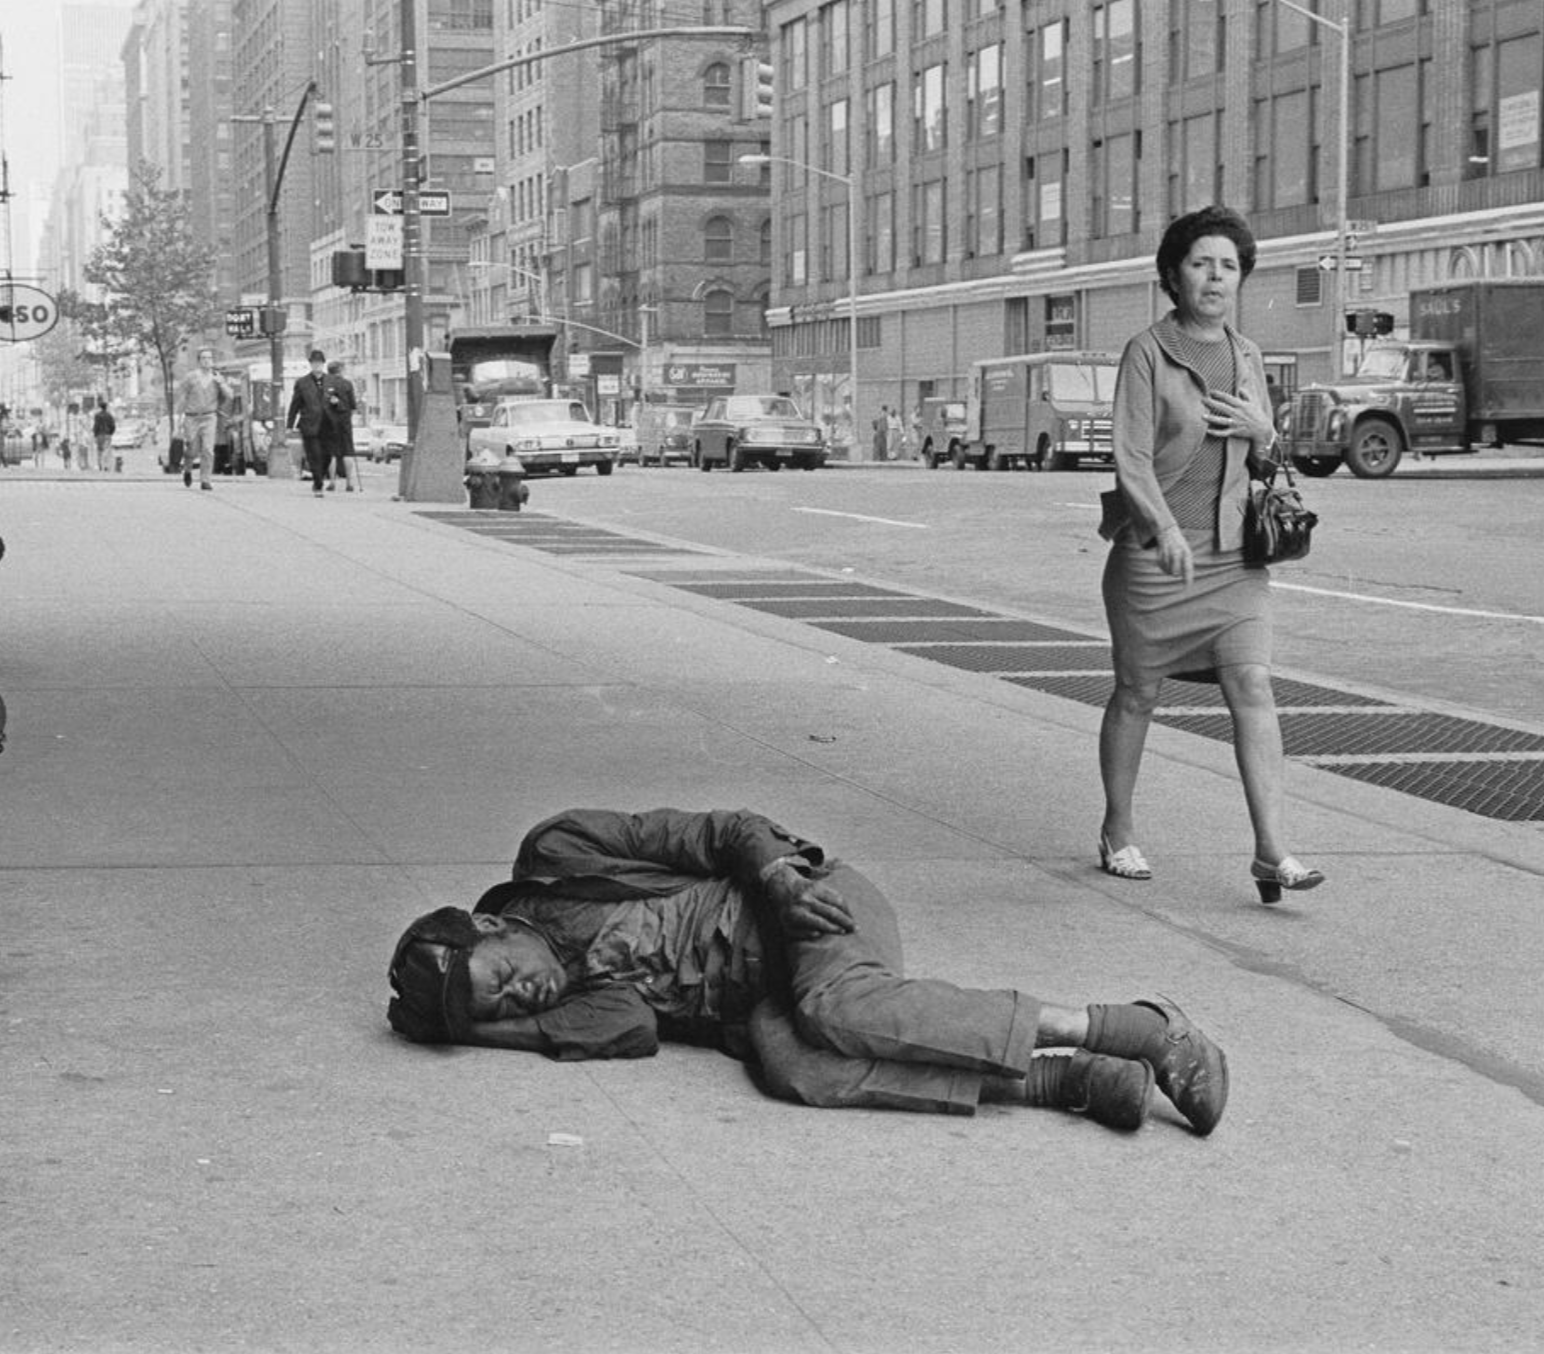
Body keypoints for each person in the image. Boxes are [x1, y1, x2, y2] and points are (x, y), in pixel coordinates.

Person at [388, 807, 1229, 1135]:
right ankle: (1066, 1081)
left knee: (833, 1006)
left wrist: (778, 878)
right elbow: (631, 1030)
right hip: (765, 997)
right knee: (793, 1065)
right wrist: (473, 1029)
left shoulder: (558, 853)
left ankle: (1137, 1026)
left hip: (806, 908)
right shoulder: (573, 1003)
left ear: (492, 922)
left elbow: (718, 831)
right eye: (498, 1008)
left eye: (499, 977)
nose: (520, 996)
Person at [1096, 205, 1324, 906]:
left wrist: (1264, 432)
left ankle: (1271, 851)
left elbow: (1270, 462)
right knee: (1139, 692)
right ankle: (1117, 828)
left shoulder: (1248, 355)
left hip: (1234, 556)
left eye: (1229, 265)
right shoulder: (1147, 352)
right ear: (1174, 275)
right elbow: (1129, 457)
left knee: (1253, 685)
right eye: (1202, 263)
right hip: (1155, 554)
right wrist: (1161, 528)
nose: (1216, 277)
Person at [286, 349, 338, 498]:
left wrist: (337, 403)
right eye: (314, 363)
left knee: (327, 455)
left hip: (328, 424)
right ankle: (318, 483)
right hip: (309, 424)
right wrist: (290, 425)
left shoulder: (332, 381)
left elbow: (341, 403)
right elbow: (295, 404)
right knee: (314, 454)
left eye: (319, 363)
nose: (317, 366)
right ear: (310, 364)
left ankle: (319, 476)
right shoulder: (302, 383)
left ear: (323, 364)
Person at [177, 348, 228, 491]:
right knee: (192, 449)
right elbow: (182, 398)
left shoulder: (217, 378)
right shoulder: (191, 377)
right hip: (192, 417)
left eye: (209, 358)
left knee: (208, 449)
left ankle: (205, 479)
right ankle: (187, 469)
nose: (207, 361)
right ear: (199, 361)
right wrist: (177, 422)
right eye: (204, 358)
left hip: (209, 417)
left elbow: (229, 396)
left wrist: (222, 384)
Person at [324, 360, 360, 492]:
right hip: (344, 421)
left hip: (329, 422)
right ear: (340, 370)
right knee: (347, 451)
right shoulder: (347, 384)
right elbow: (353, 406)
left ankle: (332, 482)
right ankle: (349, 483)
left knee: (332, 453)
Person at [91, 399, 115, 472]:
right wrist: (110, 433)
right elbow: (113, 426)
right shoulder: (109, 416)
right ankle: (106, 465)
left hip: (99, 435)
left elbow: (96, 426)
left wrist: (95, 434)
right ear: (106, 407)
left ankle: (100, 465)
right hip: (107, 434)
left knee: (99, 451)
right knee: (106, 450)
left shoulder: (97, 416)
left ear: (100, 407)